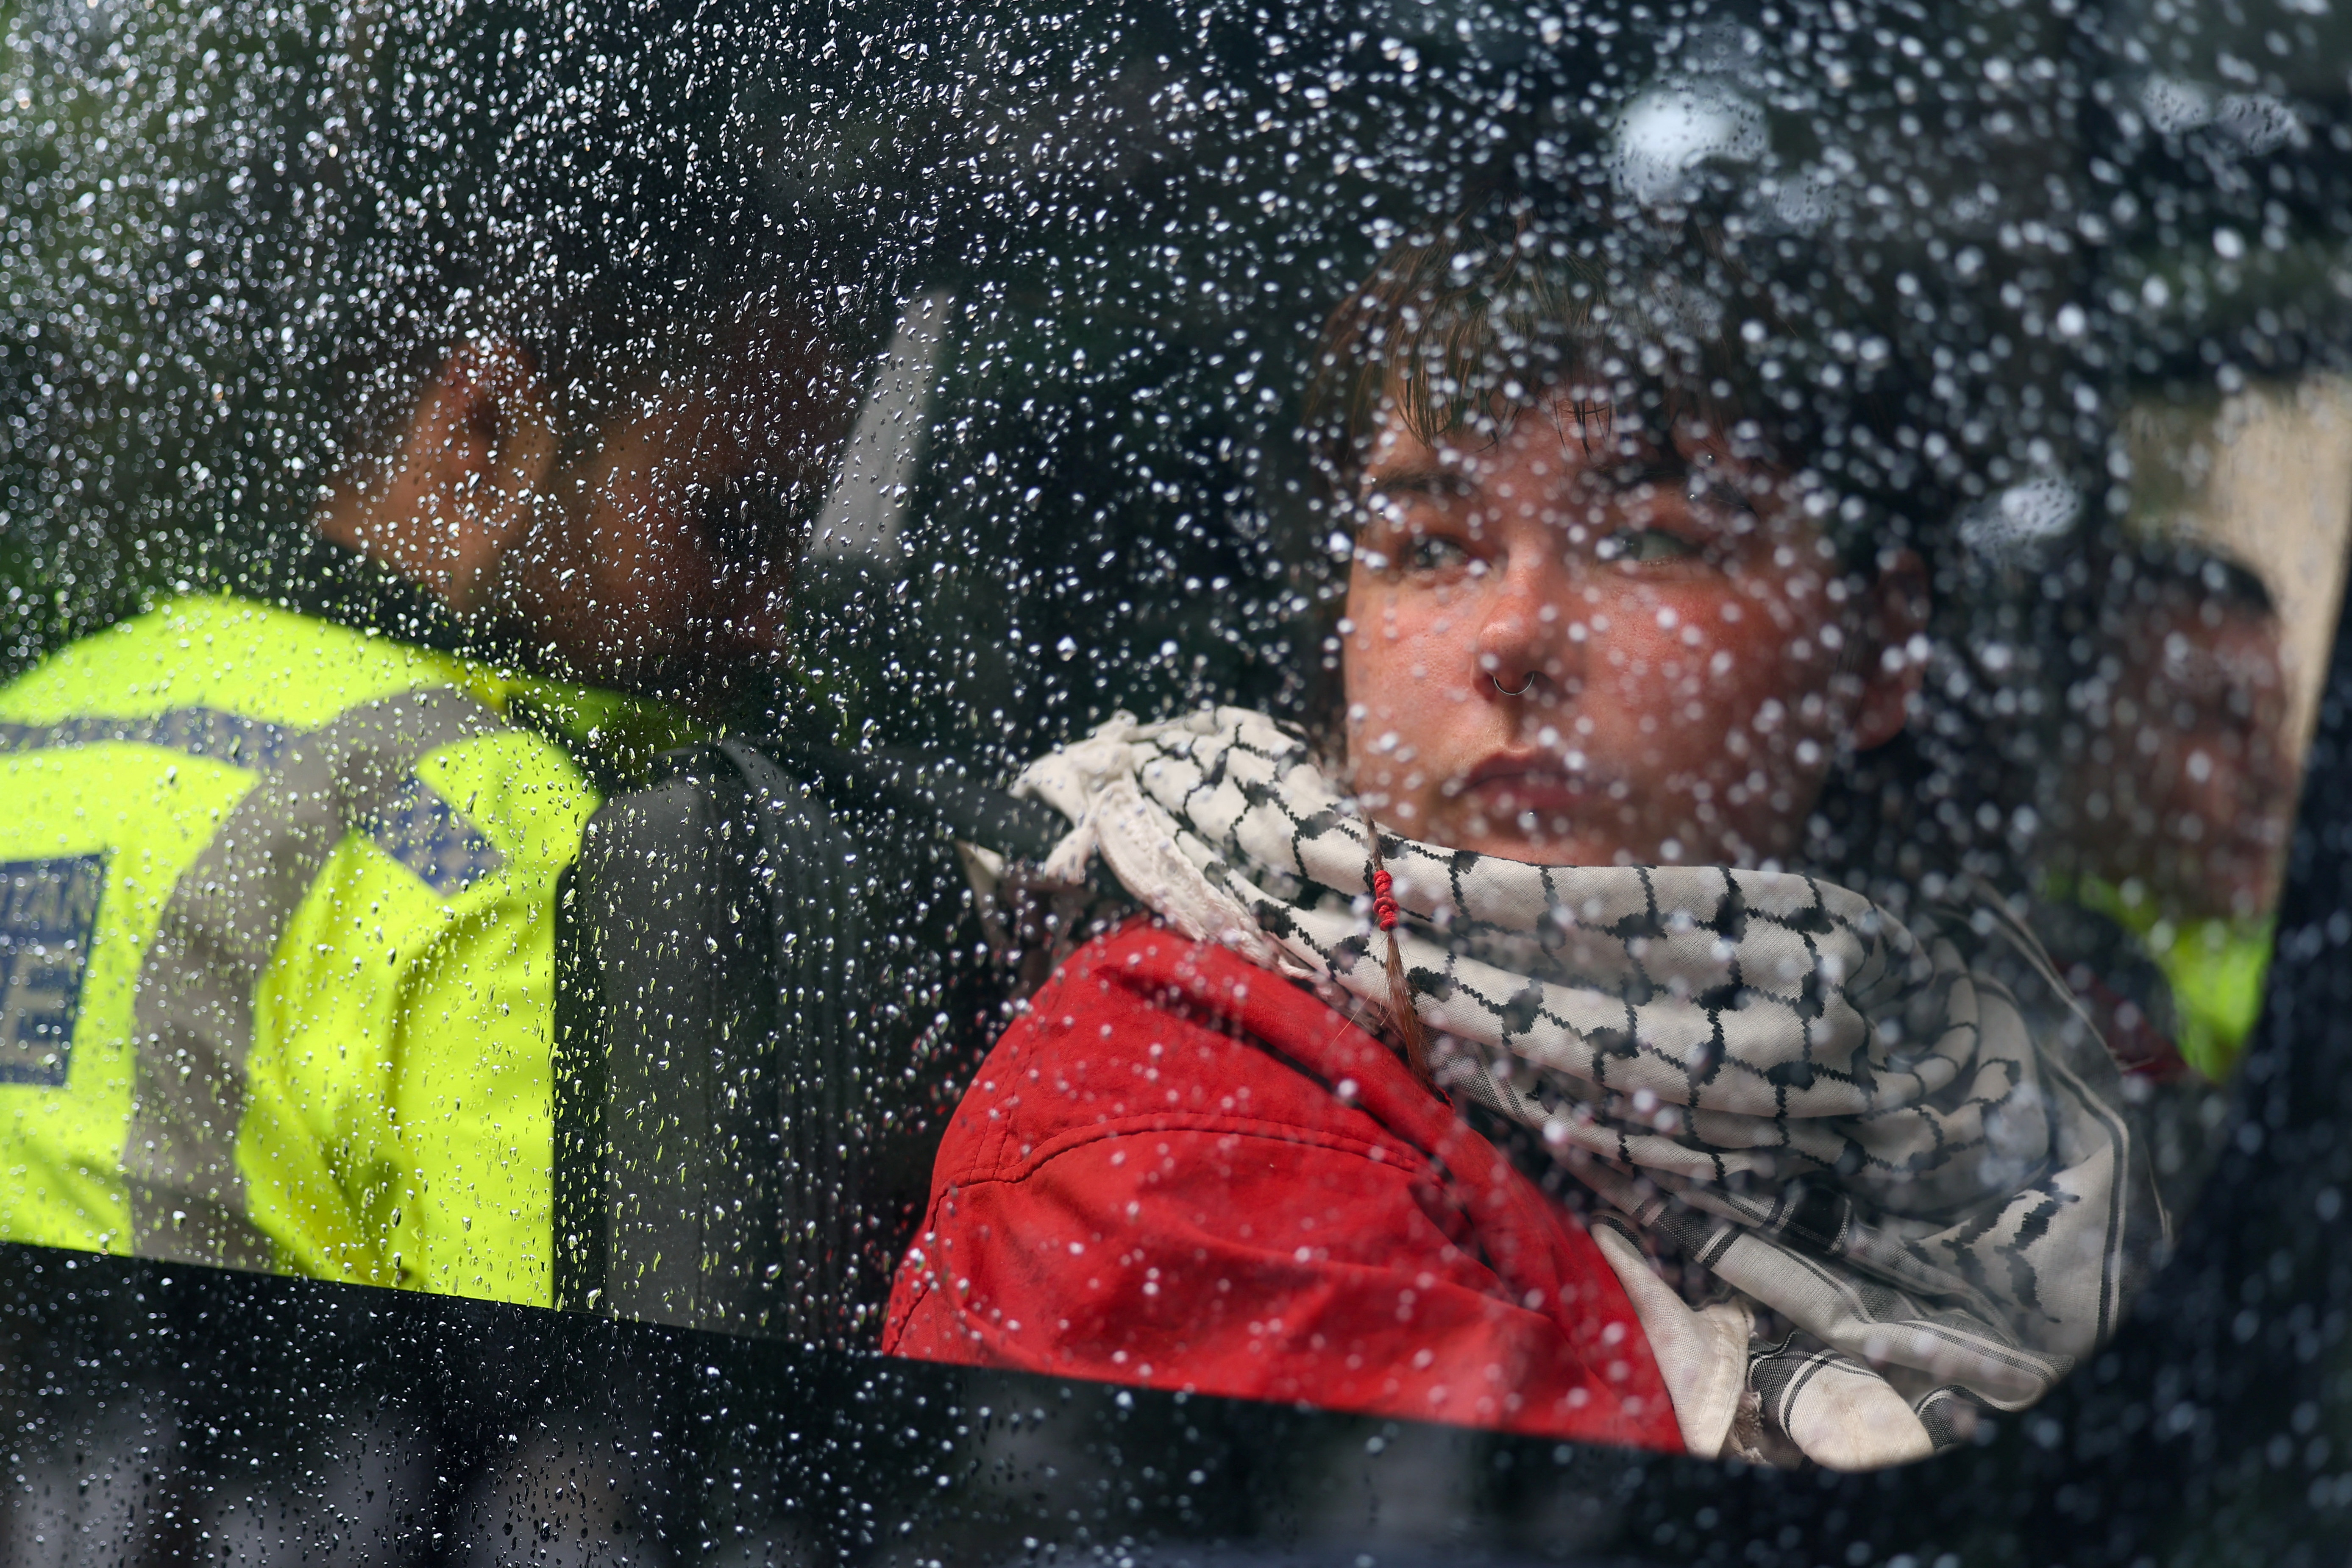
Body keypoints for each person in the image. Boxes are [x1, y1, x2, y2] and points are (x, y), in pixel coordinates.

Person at [883, 209, 2162, 1469]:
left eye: (1647, 540)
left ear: (1874, 652)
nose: (1514, 637)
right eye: (1431, 547)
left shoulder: (1983, 1063)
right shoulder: (1176, 1115)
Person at [0, 2, 854, 1306]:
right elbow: (559, 1412)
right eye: (729, 525)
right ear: (482, 440)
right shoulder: (503, 837)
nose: (767, 618)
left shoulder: (45, 718)